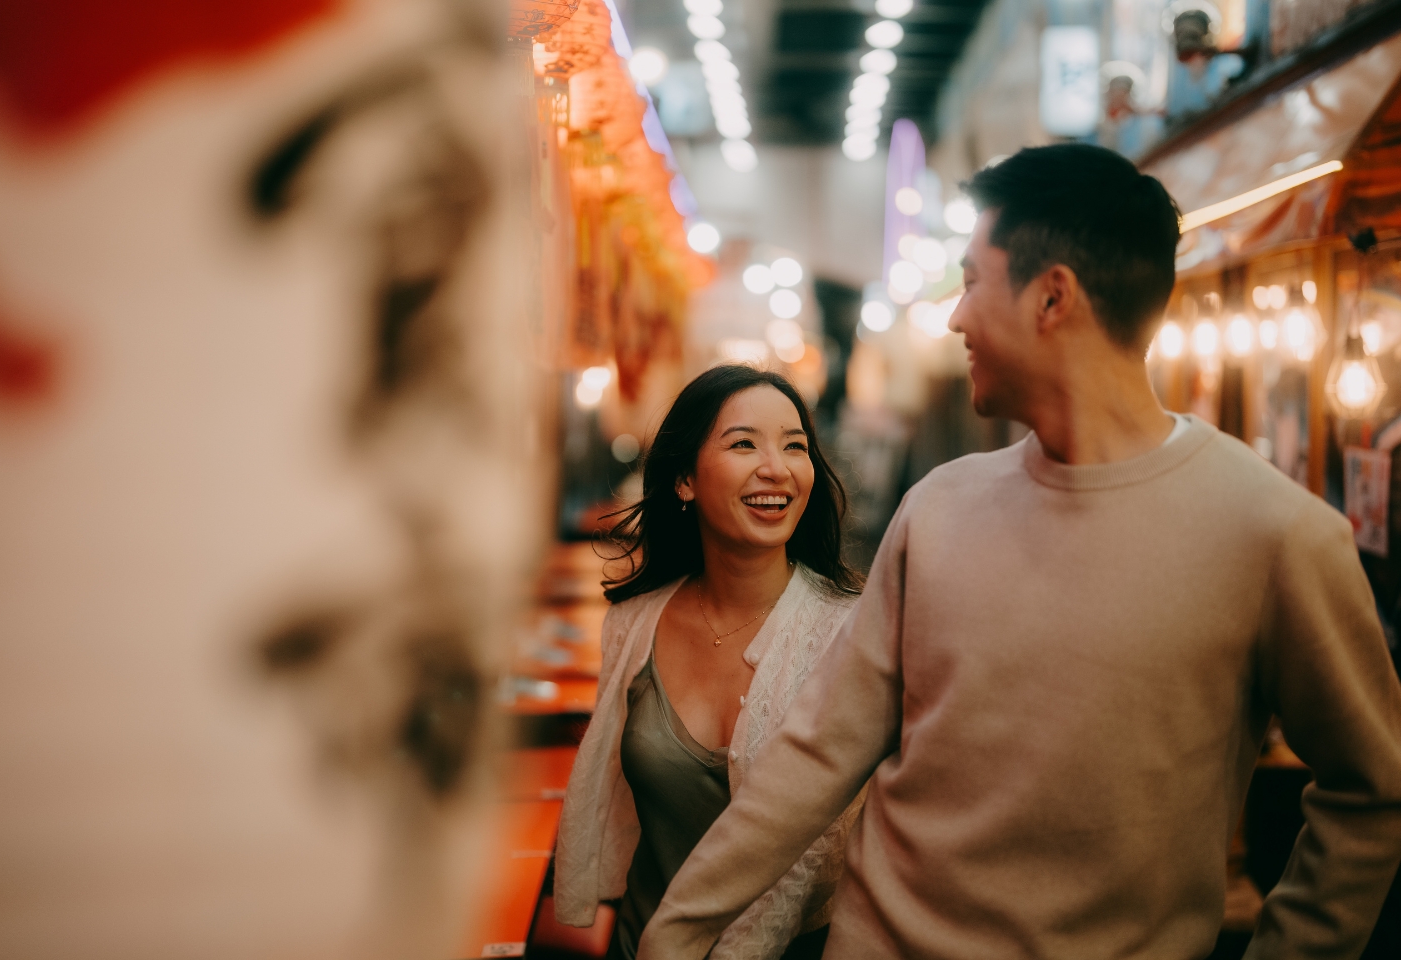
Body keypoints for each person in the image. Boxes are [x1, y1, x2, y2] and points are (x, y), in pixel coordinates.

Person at [638, 144, 1401, 959]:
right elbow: (818, 752)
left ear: (1051, 297)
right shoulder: (938, 507)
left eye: (971, 281)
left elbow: (1373, 790)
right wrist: (679, 929)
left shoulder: (1277, 534)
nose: (954, 316)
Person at [554, 365, 867, 960]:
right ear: (683, 480)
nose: (776, 468)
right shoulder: (632, 625)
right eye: (743, 443)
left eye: (795, 446)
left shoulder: (855, 633)